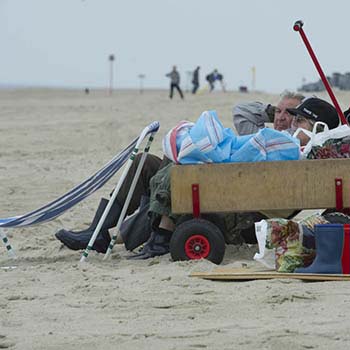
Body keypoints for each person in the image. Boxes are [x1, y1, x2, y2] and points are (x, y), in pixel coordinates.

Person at [128, 96, 341, 260]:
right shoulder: (290, 143)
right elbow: (244, 132)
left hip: (241, 211)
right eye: (293, 118)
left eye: (300, 120)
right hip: (235, 197)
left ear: (319, 128)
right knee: (177, 164)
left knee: (182, 171)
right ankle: (137, 235)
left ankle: (149, 237)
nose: (292, 124)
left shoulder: (305, 153)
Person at [233, 90, 305, 135]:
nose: (280, 118)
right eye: (278, 111)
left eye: (288, 113)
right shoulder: (262, 140)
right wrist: (270, 112)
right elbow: (240, 109)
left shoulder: (306, 144)